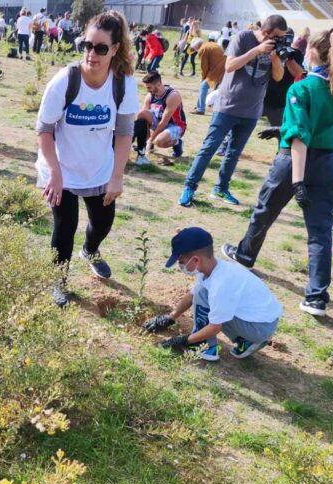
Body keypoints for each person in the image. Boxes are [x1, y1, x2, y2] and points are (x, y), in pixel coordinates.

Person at [222, 27, 333, 317]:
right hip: (327, 163)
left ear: (313, 52)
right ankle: (317, 297)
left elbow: (300, 139)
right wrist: (283, 128)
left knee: (265, 209)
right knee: (320, 232)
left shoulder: (302, 88)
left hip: (294, 161)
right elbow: (318, 125)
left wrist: (297, 182)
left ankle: (246, 254)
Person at [36, 11, 139, 306]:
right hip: (62, 169)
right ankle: (58, 281)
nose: (92, 53)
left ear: (115, 49)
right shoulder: (65, 81)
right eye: (87, 45)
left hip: (99, 169)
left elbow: (124, 132)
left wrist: (117, 176)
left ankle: (90, 250)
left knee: (103, 222)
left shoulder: (123, 83)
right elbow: (44, 129)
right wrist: (55, 173)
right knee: (65, 226)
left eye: (101, 48)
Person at [177, 15, 287, 208]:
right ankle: (189, 187)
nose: (278, 40)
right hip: (228, 106)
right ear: (265, 32)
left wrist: (275, 59)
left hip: (251, 110)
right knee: (209, 148)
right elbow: (230, 66)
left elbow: (278, 77)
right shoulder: (243, 38)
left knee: (233, 153)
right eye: (276, 36)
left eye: (282, 37)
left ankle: (221, 188)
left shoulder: (275, 50)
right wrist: (257, 50)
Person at [144, 227, 281, 362]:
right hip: (261, 322)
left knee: (203, 296)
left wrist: (185, 340)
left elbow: (215, 327)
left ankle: (204, 347)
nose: (180, 266)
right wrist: (170, 317)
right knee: (201, 294)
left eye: (181, 262)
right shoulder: (214, 268)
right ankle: (246, 341)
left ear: (196, 260)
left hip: (259, 328)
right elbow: (191, 295)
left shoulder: (220, 285)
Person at [133, 71, 185, 165]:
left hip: (175, 125)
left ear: (158, 84)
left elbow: (164, 122)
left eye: (149, 87)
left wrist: (151, 139)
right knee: (141, 114)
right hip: (158, 122)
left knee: (159, 142)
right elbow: (143, 118)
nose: (148, 90)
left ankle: (177, 142)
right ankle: (146, 145)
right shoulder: (150, 96)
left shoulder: (172, 95)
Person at [261, 29, 305, 127]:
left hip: (280, 102)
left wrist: (288, 57)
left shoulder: (295, 54)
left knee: (281, 132)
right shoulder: (268, 49)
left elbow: (299, 74)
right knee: (245, 125)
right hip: (262, 97)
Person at [193, 31, 225, 115]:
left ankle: (200, 109)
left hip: (218, 69)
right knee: (219, 89)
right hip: (224, 67)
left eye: (194, 49)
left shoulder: (202, 49)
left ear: (197, 46)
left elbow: (204, 66)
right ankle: (202, 106)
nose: (195, 51)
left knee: (203, 86)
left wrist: (203, 78)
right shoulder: (210, 44)